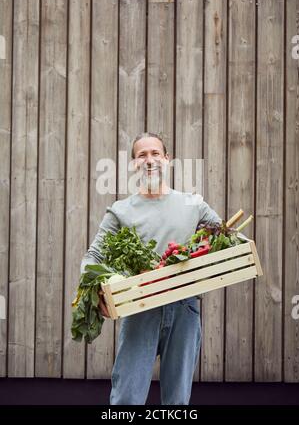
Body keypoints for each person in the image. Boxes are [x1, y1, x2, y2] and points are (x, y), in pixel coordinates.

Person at [80, 132, 222, 405]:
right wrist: (98, 289)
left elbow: (224, 235)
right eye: (141, 155)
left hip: (184, 308)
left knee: (177, 400)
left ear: (167, 160)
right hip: (139, 308)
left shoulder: (194, 204)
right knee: (126, 398)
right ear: (133, 164)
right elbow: (93, 256)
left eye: (155, 153)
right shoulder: (120, 211)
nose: (149, 160)